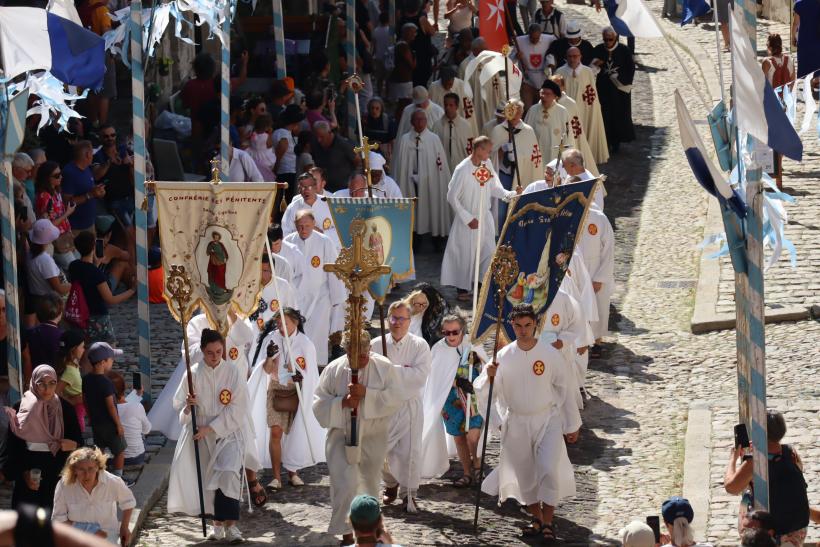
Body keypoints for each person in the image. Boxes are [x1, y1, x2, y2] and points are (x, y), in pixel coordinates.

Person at [475, 304, 579, 543]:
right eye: (518, 326)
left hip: (547, 419)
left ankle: (549, 521)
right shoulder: (502, 356)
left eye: (528, 325)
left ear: (535, 325)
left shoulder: (549, 353)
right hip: (517, 422)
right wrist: (489, 376)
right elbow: (485, 389)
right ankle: (537, 518)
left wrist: (571, 423)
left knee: (548, 469)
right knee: (525, 476)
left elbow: (565, 385)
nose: (523, 330)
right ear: (512, 326)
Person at [313, 330, 401, 545]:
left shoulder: (384, 367)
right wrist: (341, 402)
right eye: (356, 356)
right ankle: (346, 534)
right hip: (341, 437)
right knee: (344, 484)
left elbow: (396, 398)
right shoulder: (334, 369)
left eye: (365, 354)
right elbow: (318, 404)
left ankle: (371, 531)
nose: (363, 359)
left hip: (373, 435)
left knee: (368, 483)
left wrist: (367, 394)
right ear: (346, 351)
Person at [168, 329, 248, 542]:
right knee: (208, 481)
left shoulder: (232, 372)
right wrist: (188, 406)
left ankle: (232, 526)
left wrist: (211, 428)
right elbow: (180, 410)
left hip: (227, 432)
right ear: (202, 351)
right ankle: (217, 524)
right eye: (210, 352)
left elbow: (238, 407)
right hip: (201, 436)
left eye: (219, 351)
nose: (215, 357)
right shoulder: (192, 374)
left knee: (228, 475)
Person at [247, 308, 325, 489]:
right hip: (275, 390)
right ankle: (276, 477)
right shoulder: (272, 338)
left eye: (285, 323)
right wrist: (268, 357)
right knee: (276, 432)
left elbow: (310, 373)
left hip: (296, 392)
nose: (281, 327)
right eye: (279, 323)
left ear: (295, 322)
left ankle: (292, 472)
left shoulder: (305, 344)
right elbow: (265, 370)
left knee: (293, 432)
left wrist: (300, 375)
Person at [441, 136, 521, 300]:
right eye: (488, 151)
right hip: (468, 221)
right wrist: (467, 218)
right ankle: (462, 290)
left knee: (487, 252)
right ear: (478, 149)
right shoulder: (462, 169)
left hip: (485, 218)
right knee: (465, 254)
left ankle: (480, 287)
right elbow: (451, 196)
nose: (490, 154)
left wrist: (511, 195)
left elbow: (495, 188)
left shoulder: (487, 165)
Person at [370, 301, 431, 512]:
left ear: (409, 320)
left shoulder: (419, 345)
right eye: (393, 318)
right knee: (379, 451)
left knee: (409, 451)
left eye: (402, 319)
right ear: (387, 320)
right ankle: (390, 482)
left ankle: (408, 493)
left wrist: (389, 371)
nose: (397, 323)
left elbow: (419, 376)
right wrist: (400, 371)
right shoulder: (376, 344)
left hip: (408, 405)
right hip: (383, 406)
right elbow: (371, 375)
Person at [420, 314, 488, 486]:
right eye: (446, 332)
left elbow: (487, 368)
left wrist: (477, 370)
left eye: (455, 332)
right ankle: (467, 473)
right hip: (450, 400)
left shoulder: (472, 344)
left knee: (473, 436)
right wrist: (456, 382)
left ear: (462, 330)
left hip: (472, 397)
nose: (451, 336)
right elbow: (436, 377)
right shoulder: (438, 349)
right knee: (459, 438)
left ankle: (478, 465)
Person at [724, 411, 810, 546]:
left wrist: (733, 460)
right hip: (797, 529)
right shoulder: (791, 452)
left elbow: (731, 487)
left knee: (746, 500)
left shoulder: (756, 461)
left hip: (769, 535)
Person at [4, 365, 83, 507]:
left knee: (54, 524)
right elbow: (12, 449)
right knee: (26, 526)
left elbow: (81, 446)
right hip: (28, 481)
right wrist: (23, 473)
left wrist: (74, 445)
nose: (47, 389)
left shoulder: (65, 410)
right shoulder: (20, 409)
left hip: (58, 480)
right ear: (34, 383)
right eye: (41, 384)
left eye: (52, 383)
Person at [280, 209, 346, 366]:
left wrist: (338, 297)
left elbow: (333, 269)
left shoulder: (324, 241)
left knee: (317, 334)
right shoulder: (288, 242)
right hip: (295, 297)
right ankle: (294, 364)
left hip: (320, 297)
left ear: (314, 224)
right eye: (300, 226)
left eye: (307, 226)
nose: (303, 230)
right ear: (295, 225)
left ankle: (317, 365)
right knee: (294, 333)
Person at [52, 446, 136, 545]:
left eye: (91, 469)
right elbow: (58, 520)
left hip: (107, 536)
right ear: (74, 470)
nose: (87, 475)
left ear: (97, 467)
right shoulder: (64, 485)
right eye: (81, 470)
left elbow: (128, 502)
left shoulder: (113, 481)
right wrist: (90, 530)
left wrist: (124, 527)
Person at [69, 232, 135, 345]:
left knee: (87, 350)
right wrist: (132, 290)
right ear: (93, 247)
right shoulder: (96, 273)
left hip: (81, 314)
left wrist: (96, 264)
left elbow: (86, 275)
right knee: (109, 348)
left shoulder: (74, 266)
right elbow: (110, 299)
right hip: (97, 316)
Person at [82, 342, 129, 481]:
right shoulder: (106, 382)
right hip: (109, 424)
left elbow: (84, 400)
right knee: (119, 451)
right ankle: (119, 478)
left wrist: (90, 416)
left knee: (100, 451)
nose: (112, 362)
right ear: (103, 362)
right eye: (111, 359)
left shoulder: (86, 380)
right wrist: (118, 425)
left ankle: (100, 475)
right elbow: (111, 406)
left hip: (96, 422)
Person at [555, 47, 609, 165]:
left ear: (580, 57)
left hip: (585, 109)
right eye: (570, 56)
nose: (573, 59)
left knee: (585, 130)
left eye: (575, 56)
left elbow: (592, 93)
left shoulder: (587, 71)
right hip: (568, 110)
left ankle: (588, 157)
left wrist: (592, 110)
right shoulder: (559, 72)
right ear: (566, 57)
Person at [592, 27, 636, 154]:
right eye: (605, 39)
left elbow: (630, 69)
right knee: (604, 114)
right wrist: (595, 65)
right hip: (603, 88)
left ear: (615, 38)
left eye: (610, 39)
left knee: (618, 114)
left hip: (619, 90)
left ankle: (617, 141)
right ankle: (606, 140)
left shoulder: (624, 50)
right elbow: (591, 68)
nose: (607, 42)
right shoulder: (599, 49)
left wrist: (620, 78)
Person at [550, 74, 600, 176]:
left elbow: (575, 125)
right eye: (552, 86)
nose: (555, 89)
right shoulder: (544, 103)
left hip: (566, 142)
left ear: (563, 87)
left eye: (558, 86)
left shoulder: (569, 103)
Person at [524, 80, 574, 179]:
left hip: (554, 155)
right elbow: (525, 133)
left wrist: (568, 156)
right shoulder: (533, 110)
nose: (543, 96)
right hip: (535, 155)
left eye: (547, 94)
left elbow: (569, 137)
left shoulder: (562, 112)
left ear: (555, 96)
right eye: (542, 93)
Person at [33, 160, 77, 270]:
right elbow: (48, 225)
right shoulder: (44, 196)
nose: (61, 177)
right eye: (57, 176)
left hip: (65, 237)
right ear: (47, 178)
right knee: (73, 267)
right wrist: (68, 213)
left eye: (60, 174)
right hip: (56, 240)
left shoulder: (56, 191)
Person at [92, 125, 135, 232]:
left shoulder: (124, 150)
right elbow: (97, 175)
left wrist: (131, 163)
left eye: (112, 135)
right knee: (130, 233)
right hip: (115, 202)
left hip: (132, 197)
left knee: (138, 231)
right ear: (100, 138)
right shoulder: (98, 156)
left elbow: (139, 170)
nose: (110, 138)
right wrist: (109, 162)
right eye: (106, 136)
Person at [61, 141, 106, 238]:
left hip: (89, 224)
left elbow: (89, 190)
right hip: (76, 228)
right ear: (87, 155)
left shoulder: (86, 168)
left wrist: (98, 192)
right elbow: (66, 202)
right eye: (92, 154)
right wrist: (90, 195)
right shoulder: (70, 173)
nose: (93, 156)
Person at [282, 172, 339, 246]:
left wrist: (321, 233)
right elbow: (286, 233)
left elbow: (339, 230)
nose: (305, 191)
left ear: (315, 187)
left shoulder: (329, 204)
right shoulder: (292, 208)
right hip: (301, 249)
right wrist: (303, 233)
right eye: (302, 188)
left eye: (309, 187)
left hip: (325, 247)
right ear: (299, 189)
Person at [109, 372, 151, 466]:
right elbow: (146, 430)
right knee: (140, 431)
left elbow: (120, 407)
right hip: (135, 457)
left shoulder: (102, 409)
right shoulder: (137, 406)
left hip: (111, 459)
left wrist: (136, 396)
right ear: (124, 388)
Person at [27, 219, 70, 306]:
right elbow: (59, 289)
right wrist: (73, 285)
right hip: (48, 301)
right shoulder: (44, 260)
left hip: (38, 297)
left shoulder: (29, 254)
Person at [432, 93, 476, 172]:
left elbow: (470, 149)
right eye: (446, 105)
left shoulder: (466, 126)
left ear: (457, 106)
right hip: (442, 169)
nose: (447, 108)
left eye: (451, 105)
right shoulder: (437, 126)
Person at [311, 121, 359, 193]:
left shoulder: (343, 144)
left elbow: (357, 160)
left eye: (322, 137)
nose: (319, 140)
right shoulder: (315, 144)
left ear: (329, 133)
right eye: (317, 137)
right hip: (324, 189)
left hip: (342, 189)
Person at [429, 66, 478, 136]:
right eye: (445, 83)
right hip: (441, 127)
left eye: (449, 84)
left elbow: (469, 112)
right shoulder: (433, 87)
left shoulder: (462, 86)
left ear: (453, 79)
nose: (447, 86)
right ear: (441, 79)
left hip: (459, 127)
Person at [516, 24, 557, 108]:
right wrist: (516, 56)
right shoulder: (519, 41)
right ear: (528, 34)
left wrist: (551, 64)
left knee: (543, 108)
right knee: (527, 109)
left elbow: (556, 51)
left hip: (544, 80)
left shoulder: (549, 39)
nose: (534, 41)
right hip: (527, 81)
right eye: (532, 38)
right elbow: (510, 60)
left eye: (537, 38)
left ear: (540, 35)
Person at [55, 329, 86, 432]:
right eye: (82, 347)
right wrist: (71, 401)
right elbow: (56, 392)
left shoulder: (73, 365)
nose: (84, 350)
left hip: (80, 408)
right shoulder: (70, 371)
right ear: (74, 349)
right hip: (76, 409)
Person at [23, 294, 63, 370]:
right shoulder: (62, 336)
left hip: (33, 376)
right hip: (54, 378)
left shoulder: (29, 333)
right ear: (60, 313)